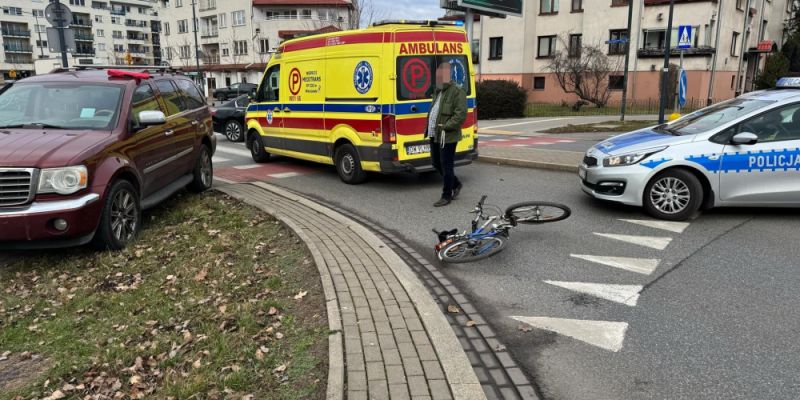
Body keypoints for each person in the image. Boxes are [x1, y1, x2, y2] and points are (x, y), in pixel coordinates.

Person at [426, 61, 467, 207]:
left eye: (441, 74)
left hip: (447, 135)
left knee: (446, 165)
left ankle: (446, 195)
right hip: (435, 133)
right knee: (436, 163)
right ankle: (456, 184)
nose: (438, 76)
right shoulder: (438, 91)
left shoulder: (457, 91)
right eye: (437, 74)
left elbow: (460, 114)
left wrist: (447, 126)